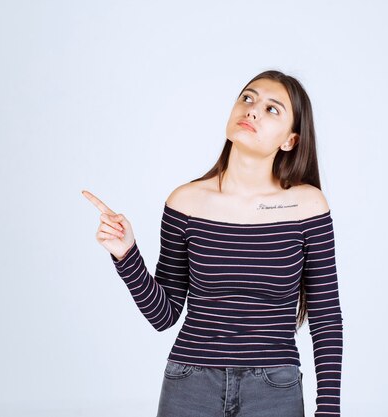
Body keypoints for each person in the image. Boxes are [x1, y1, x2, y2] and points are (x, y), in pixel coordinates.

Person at [82, 70, 344, 417]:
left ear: (290, 141)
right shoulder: (185, 202)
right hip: (189, 385)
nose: (252, 110)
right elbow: (164, 315)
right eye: (247, 98)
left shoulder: (308, 206)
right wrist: (126, 254)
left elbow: (326, 317)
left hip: (274, 389)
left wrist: (329, 411)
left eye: (272, 109)